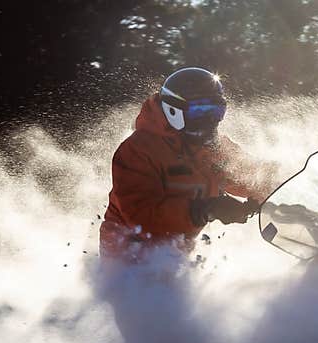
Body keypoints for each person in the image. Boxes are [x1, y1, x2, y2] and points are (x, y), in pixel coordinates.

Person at [100, 67, 270, 261]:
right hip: (129, 255)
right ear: (173, 110)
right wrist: (205, 209)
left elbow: (251, 175)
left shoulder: (215, 147)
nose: (209, 120)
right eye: (198, 112)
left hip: (180, 250)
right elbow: (141, 214)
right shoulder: (138, 150)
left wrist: (285, 191)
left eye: (216, 111)